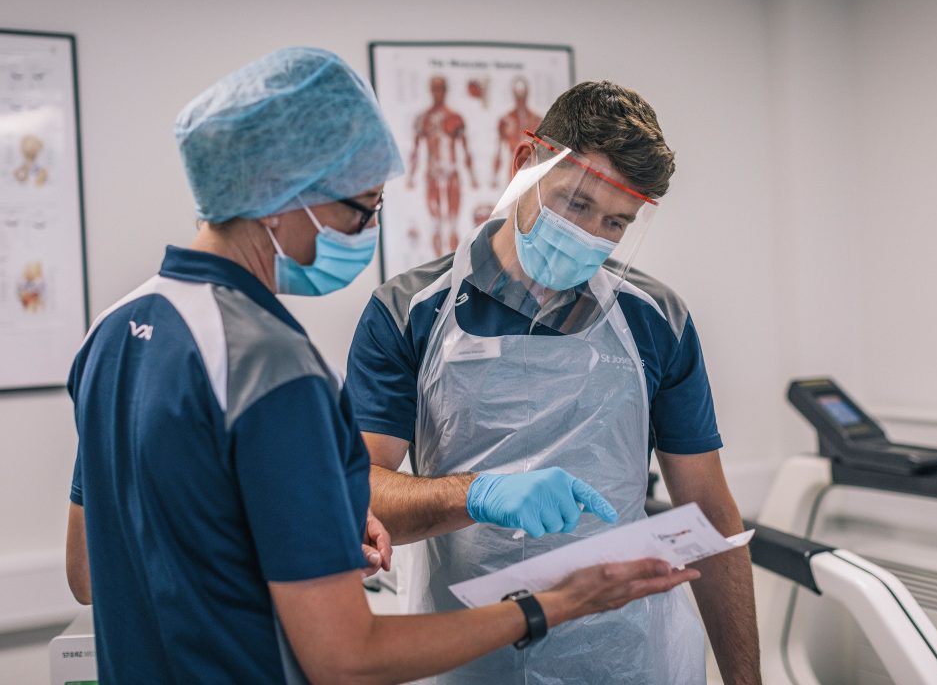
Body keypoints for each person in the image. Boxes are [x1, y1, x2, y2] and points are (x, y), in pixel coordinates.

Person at [64, 48, 698, 684]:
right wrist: (557, 604)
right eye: (361, 209)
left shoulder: (116, 330)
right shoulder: (273, 364)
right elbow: (347, 657)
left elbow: (89, 572)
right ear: (284, 193)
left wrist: (296, 523)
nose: (363, 232)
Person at [346, 81, 762, 684]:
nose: (590, 234)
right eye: (575, 204)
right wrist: (476, 494)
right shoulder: (410, 311)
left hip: (622, 654)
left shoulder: (655, 319)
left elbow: (711, 511)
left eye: (616, 223)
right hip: (467, 649)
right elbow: (360, 495)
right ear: (526, 164)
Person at [405, 75, 478, 256]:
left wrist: (473, 177)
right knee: (436, 224)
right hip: (432, 173)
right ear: (431, 91)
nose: (438, 93)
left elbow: (465, 148)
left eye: (441, 89)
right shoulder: (423, 119)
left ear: (446, 91)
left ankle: (453, 267)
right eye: (435, 89)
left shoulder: (455, 118)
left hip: (452, 171)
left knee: (453, 223)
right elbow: (415, 150)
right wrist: (411, 177)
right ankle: (438, 267)